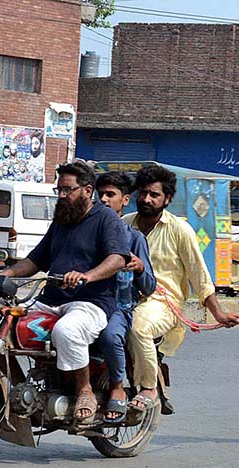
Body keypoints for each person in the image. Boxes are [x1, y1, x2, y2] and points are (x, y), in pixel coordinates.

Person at [0, 161, 131, 423]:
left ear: (87, 190)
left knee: (66, 330)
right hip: (51, 300)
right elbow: (36, 260)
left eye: (67, 190)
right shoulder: (62, 221)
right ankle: (19, 388)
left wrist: (87, 275)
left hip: (91, 302)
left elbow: (118, 258)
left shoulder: (105, 218)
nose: (61, 196)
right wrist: (6, 274)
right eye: (58, 190)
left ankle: (85, 391)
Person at [122, 165, 239, 412]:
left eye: (154, 195)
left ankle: (148, 388)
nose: (146, 199)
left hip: (162, 304)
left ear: (167, 199)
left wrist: (218, 313)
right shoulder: (124, 225)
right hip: (124, 297)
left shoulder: (180, 230)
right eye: (143, 193)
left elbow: (200, 275)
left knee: (138, 327)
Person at [95, 172, 157, 424]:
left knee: (110, 335)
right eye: (100, 194)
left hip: (118, 307)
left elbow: (150, 286)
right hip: (86, 303)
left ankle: (118, 387)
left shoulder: (134, 238)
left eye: (111, 195)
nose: (104, 200)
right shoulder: (86, 231)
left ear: (125, 201)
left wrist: (140, 268)